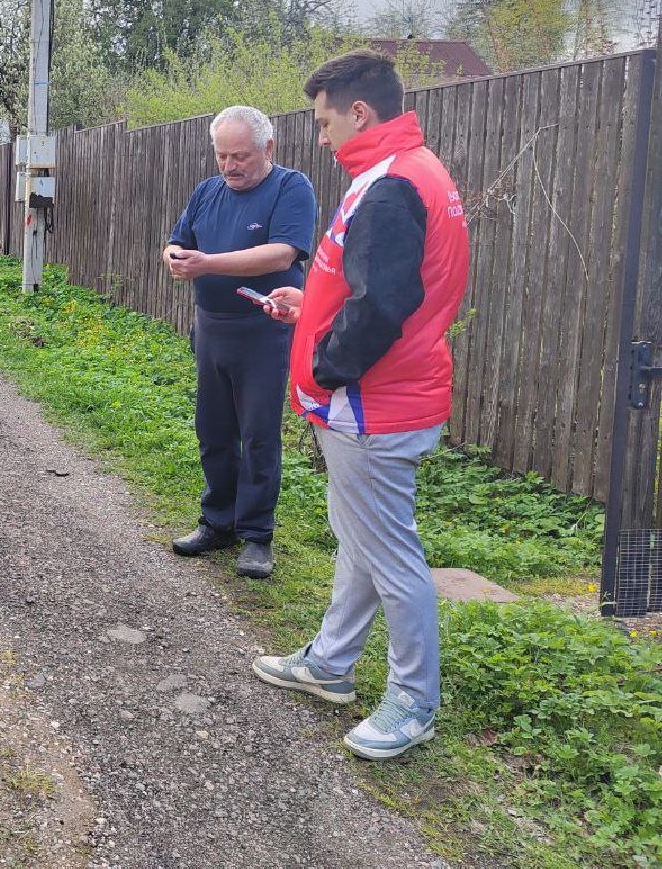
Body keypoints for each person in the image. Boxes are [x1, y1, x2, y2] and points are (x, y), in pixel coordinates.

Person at [251, 50, 468, 760]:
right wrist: (307, 307)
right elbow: (369, 285)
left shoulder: (390, 185)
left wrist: (322, 365)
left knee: (390, 555)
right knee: (361, 539)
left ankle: (414, 702)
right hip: (383, 395)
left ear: (360, 112)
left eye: (324, 121)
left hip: (373, 404)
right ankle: (331, 664)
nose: (320, 137)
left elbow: (385, 306)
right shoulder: (408, 172)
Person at [164, 105, 318, 579]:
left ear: (267, 149)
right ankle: (218, 521)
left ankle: (256, 535)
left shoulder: (292, 188)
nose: (230, 166)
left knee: (258, 434)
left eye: (241, 156)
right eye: (222, 155)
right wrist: (173, 255)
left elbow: (281, 252)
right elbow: (176, 239)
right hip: (211, 325)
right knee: (212, 430)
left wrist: (206, 262)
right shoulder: (208, 191)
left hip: (263, 331)